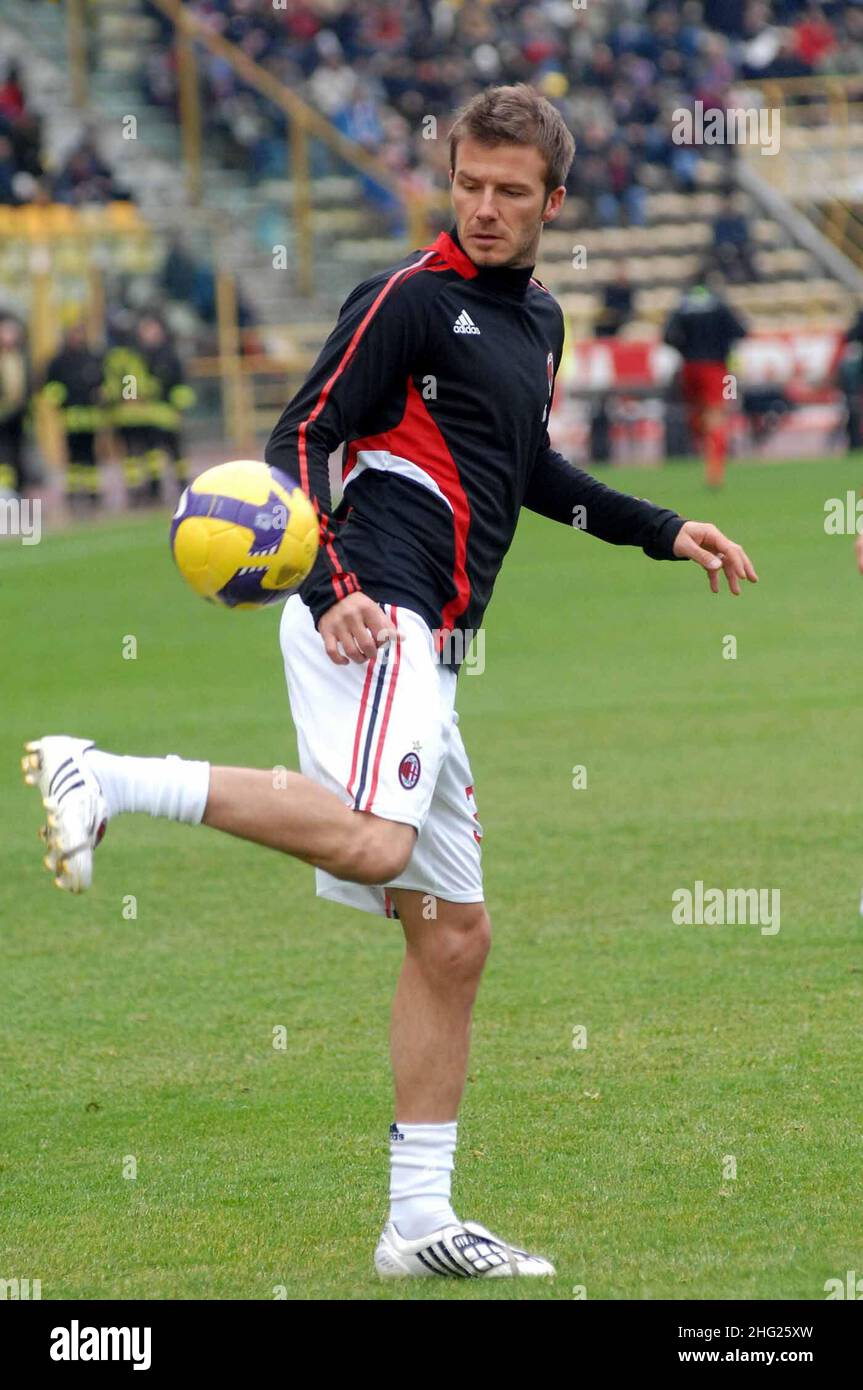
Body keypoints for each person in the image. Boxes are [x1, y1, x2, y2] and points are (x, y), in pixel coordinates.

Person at [23, 84, 758, 1280]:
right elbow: (299, 436)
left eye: (509, 191)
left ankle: (416, 1222)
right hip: (373, 614)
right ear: (450, 179)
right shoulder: (408, 299)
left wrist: (662, 529)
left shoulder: (538, 325)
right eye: (467, 182)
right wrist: (330, 590)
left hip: (431, 637)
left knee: (452, 935)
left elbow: (530, 471)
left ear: (551, 202)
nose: (482, 206)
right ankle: (101, 774)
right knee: (372, 846)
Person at [663, 272, 747, 487]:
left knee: (697, 415)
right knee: (716, 415)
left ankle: (703, 451)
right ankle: (715, 471)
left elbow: (668, 336)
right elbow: (741, 331)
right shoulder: (719, 304)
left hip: (689, 367)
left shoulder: (683, 305)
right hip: (714, 366)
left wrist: (685, 350)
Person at [103, 313, 194, 504]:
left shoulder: (156, 355)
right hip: (145, 413)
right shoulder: (132, 357)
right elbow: (132, 385)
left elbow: (173, 382)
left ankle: (166, 486)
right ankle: (152, 488)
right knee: (149, 454)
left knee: (166, 452)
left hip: (156, 412)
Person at [40, 322, 107, 510]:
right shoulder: (59, 361)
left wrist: (102, 395)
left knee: (90, 454)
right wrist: (59, 400)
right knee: (73, 455)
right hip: (70, 415)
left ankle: (93, 491)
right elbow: (49, 385)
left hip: (90, 416)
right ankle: (73, 490)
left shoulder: (93, 358)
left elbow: (104, 382)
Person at [0, 315, 30, 496]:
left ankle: (17, 494)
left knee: (19, 456)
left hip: (18, 415)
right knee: (4, 456)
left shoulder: (22, 358)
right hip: (2, 417)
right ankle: (5, 494)